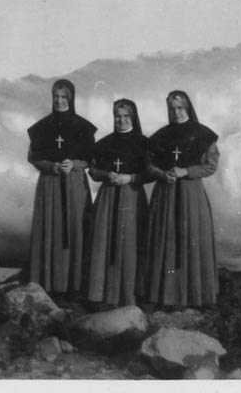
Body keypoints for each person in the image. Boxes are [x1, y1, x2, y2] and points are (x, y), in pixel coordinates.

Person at [143, 90, 220, 307]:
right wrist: (162, 174)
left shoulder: (203, 134)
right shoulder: (160, 136)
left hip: (191, 195)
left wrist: (186, 171)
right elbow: (149, 165)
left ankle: (194, 296)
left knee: (191, 240)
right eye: (172, 108)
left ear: (187, 108)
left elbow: (211, 166)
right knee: (165, 240)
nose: (176, 112)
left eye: (180, 107)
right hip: (165, 195)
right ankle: (165, 296)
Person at [26, 79, 97, 297]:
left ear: (71, 98)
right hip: (50, 184)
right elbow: (33, 157)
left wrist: (75, 164)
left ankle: (75, 284)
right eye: (56, 96)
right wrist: (51, 166)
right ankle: (49, 283)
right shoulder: (41, 127)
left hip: (75, 184)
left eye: (64, 97)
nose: (59, 100)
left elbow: (91, 159)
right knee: (51, 231)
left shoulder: (83, 127)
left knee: (76, 230)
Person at [86, 99, 151, 307]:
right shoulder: (104, 143)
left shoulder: (144, 143)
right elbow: (94, 171)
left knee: (130, 243)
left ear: (132, 118)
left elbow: (150, 172)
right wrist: (108, 173)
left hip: (131, 196)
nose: (121, 120)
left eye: (126, 116)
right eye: (118, 116)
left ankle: (128, 296)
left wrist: (130, 178)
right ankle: (101, 295)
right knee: (104, 242)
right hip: (107, 197)